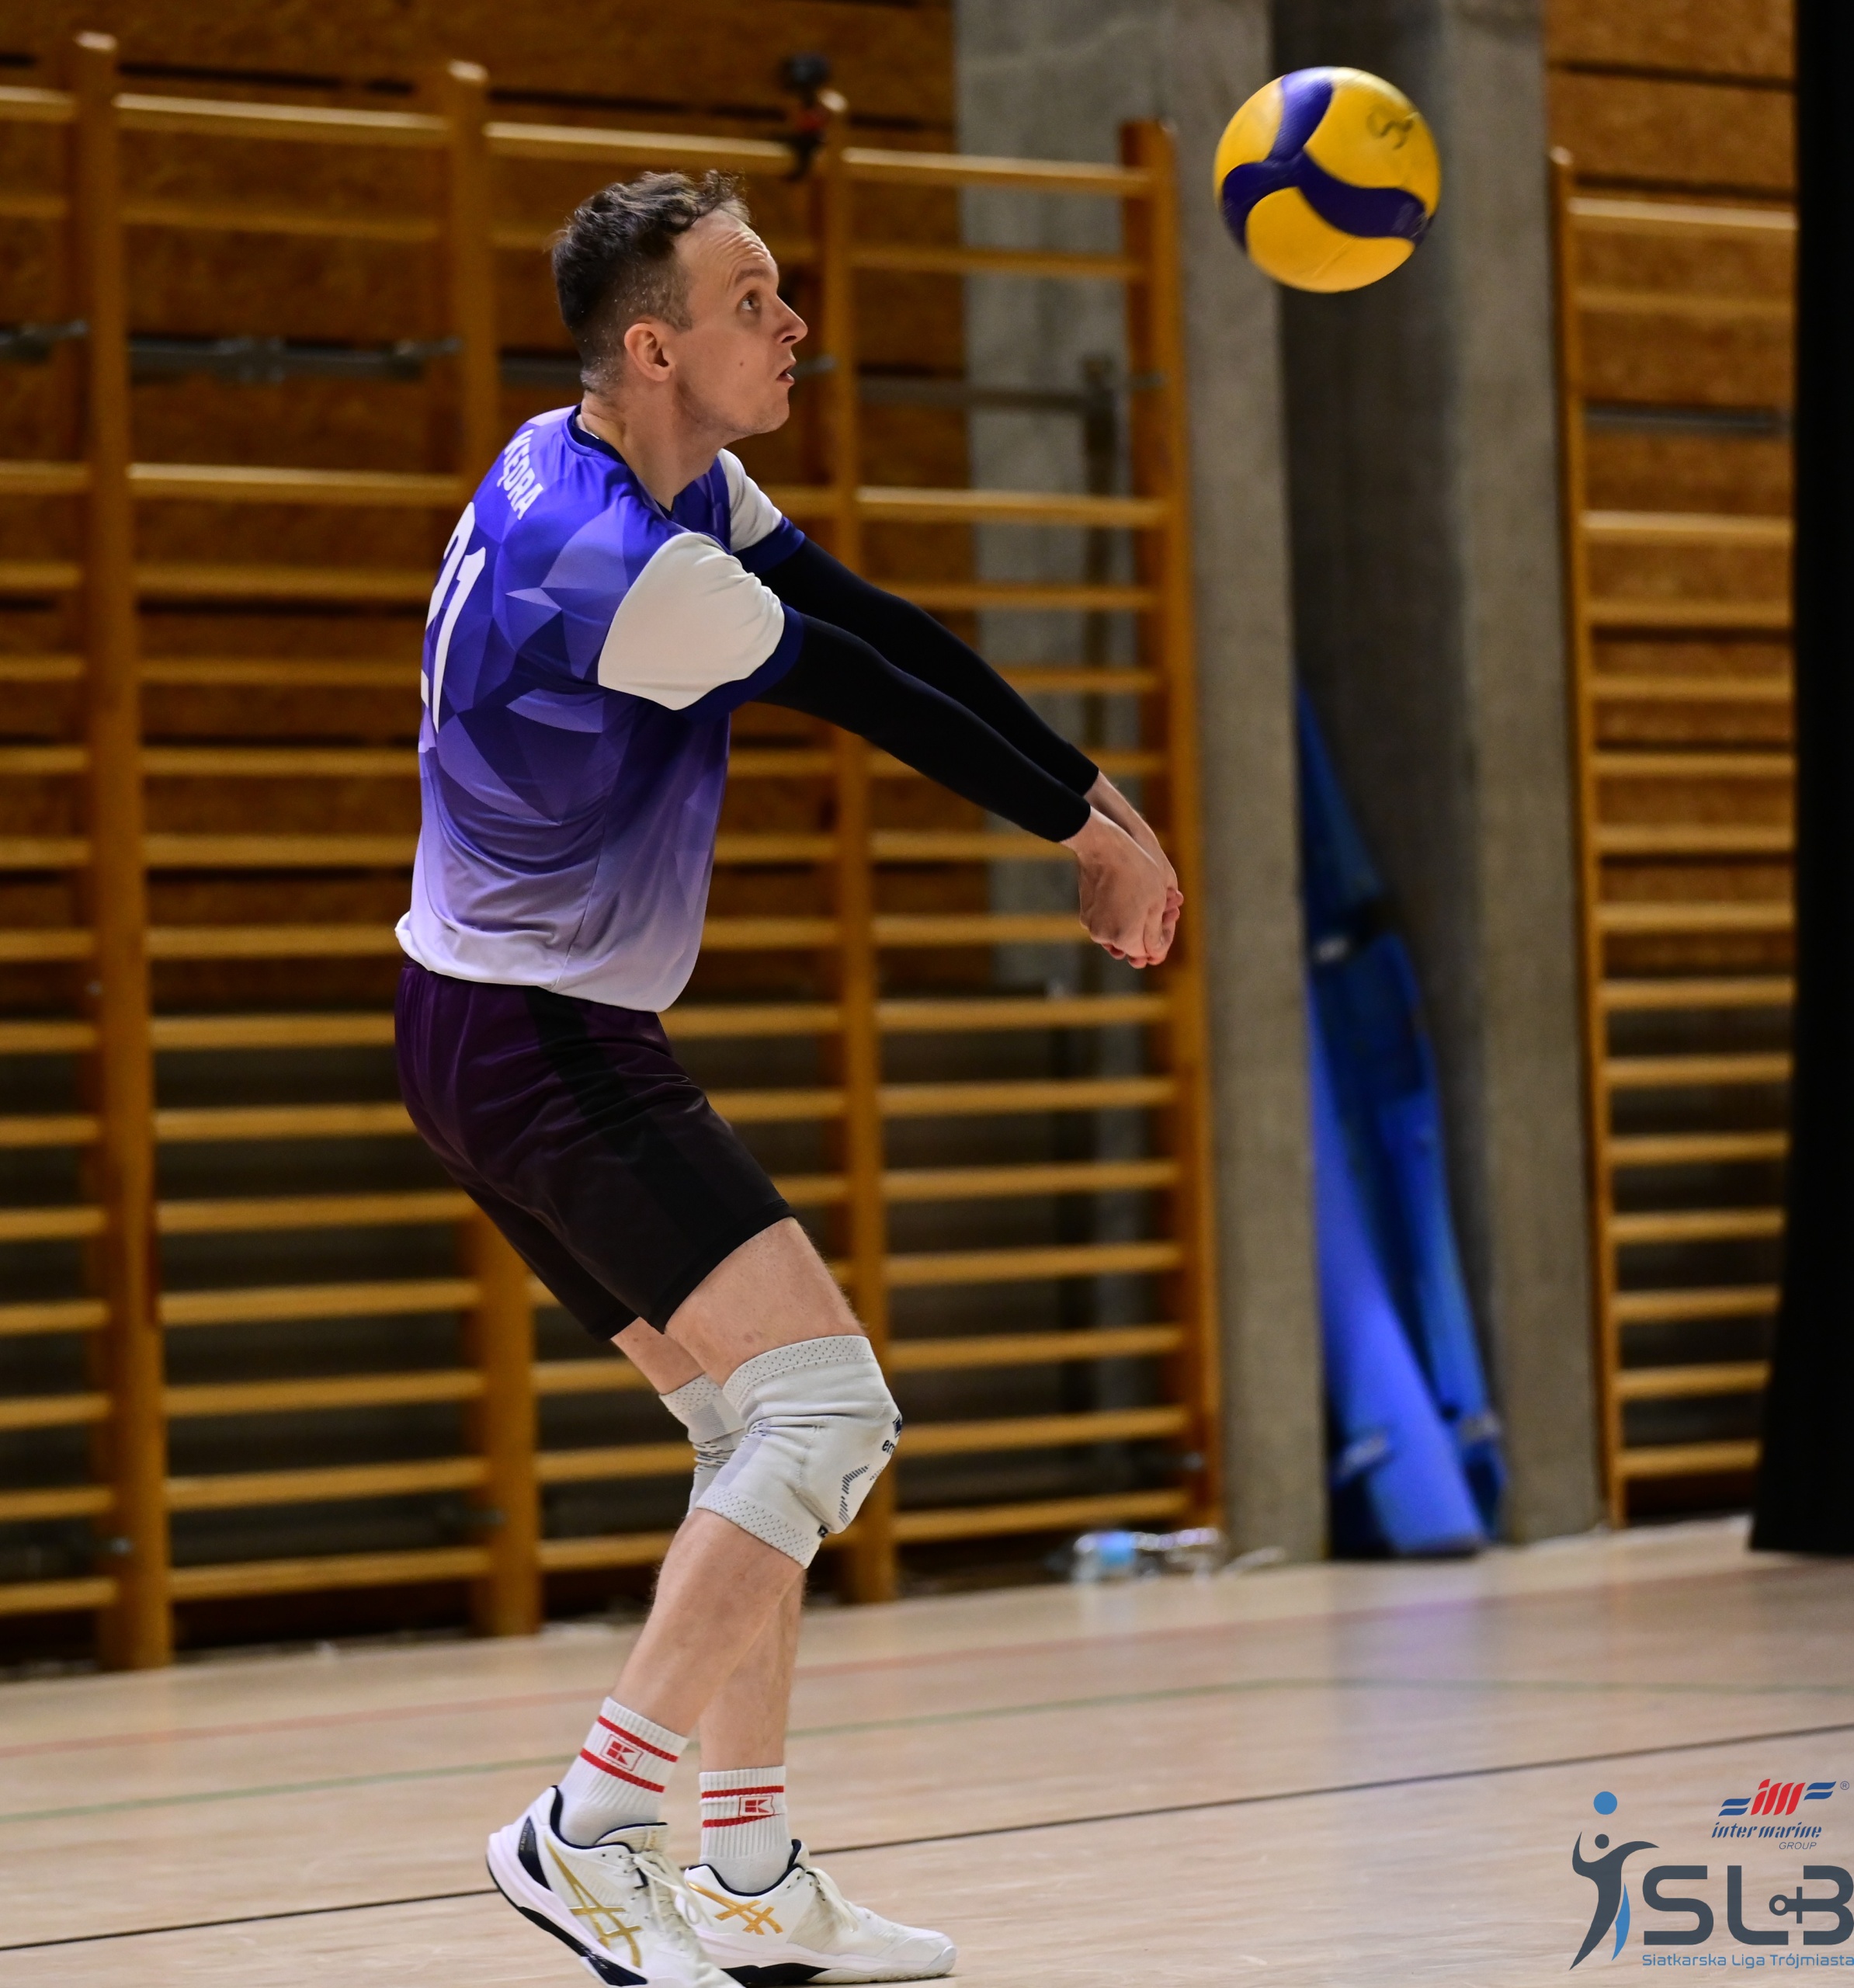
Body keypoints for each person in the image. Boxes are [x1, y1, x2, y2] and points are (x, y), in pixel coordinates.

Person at [394, 168, 1179, 1988]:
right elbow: (861, 690)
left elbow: (876, 616)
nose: (795, 321)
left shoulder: (612, 466)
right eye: (753, 297)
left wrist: (1093, 795)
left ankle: (745, 1870)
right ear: (655, 345)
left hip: (482, 1024)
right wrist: (1084, 839)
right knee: (828, 1413)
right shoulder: (622, 569)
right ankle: (590, 1823)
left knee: (754, 1437)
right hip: (536, 1038)